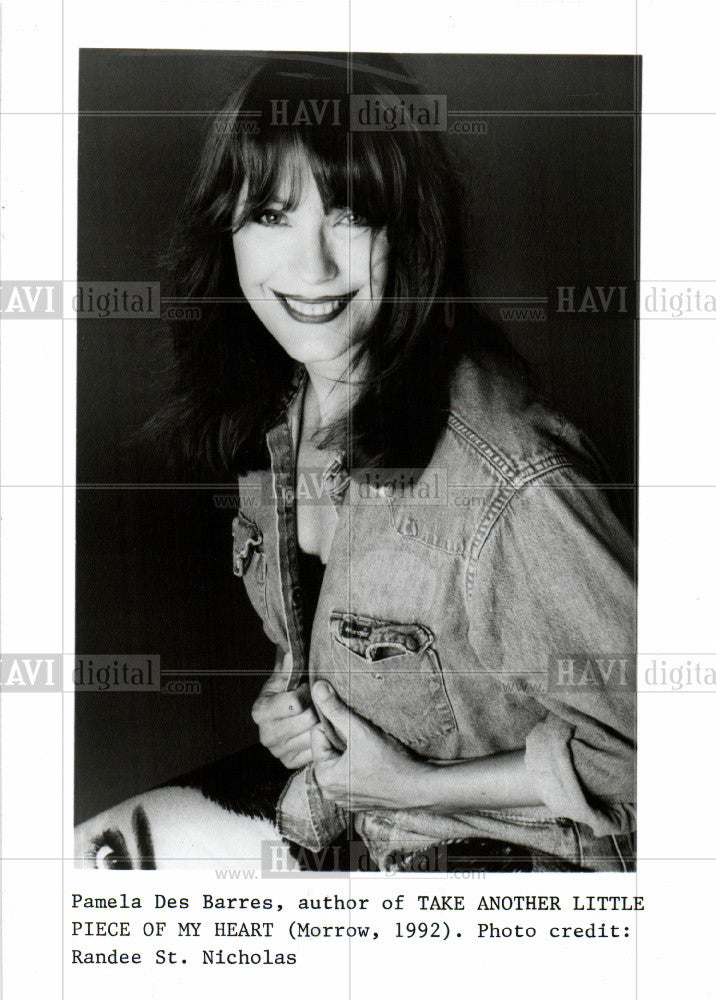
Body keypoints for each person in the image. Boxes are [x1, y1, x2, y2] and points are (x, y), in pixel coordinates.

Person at [152, 53, 636, 872]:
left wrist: (413, 786)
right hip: (351, 835)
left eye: (349, 216)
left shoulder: (508, 480)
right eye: (271, 216)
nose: (312, 270)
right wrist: (293, 698)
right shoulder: (279, 410)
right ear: (224, 228)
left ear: (409, 228)